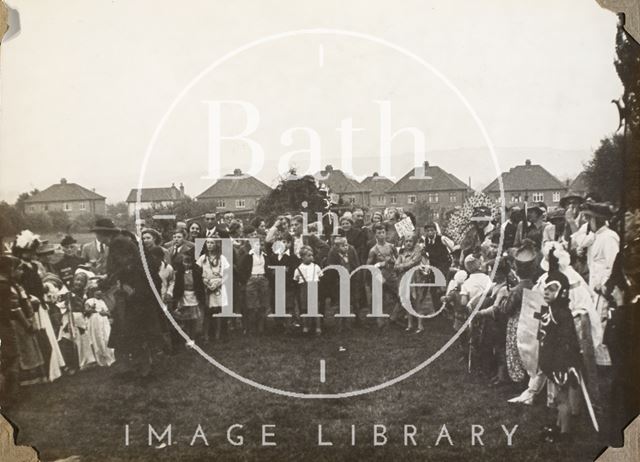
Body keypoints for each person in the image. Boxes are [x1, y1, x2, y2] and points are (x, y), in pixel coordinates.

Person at [538, 249, 584, 443]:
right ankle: (557, 426)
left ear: (562, 292)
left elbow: (567, 341)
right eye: (545, 289)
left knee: (562, 399)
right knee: (557, 397)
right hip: (552, 361)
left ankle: (565, 433)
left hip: (561, 363)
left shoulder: (562, 314)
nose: (547, 292)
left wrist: (563, 365)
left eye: (552, 289)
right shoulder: (551, 310)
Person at [572, 201, 618, 366]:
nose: (587, 222)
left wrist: (604, 285)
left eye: (589, 218)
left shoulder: (610, 237)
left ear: (598, 219)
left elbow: (613, 265)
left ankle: (605, 365)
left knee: (601, 324)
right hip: (593, 287)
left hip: (603, 289)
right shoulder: (595, 237)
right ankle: (597, 363)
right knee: (595, 324)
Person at [324, 236, 362, 329]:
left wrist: (356, 277)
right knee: (340, 302)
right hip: (339, 282)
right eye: (342, 246)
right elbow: (331, 270)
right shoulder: (333, 253)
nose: (346, 247)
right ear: (336, 247)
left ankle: (358, 319)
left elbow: (356, 264)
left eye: (346, 244)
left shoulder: (351, 250)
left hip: (352, 279)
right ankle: (341, 322)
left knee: (354, 300)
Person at [197, 239, 230, 342]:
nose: (209, 245)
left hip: (219, 286)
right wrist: (205, 282)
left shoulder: (222, 258)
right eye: (208, 243)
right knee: (207, 312)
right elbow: (198, 273)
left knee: (217, 312)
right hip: (206, 285)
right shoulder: (203, 258)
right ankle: (206, 335)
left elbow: (227, 274)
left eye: (212, 243)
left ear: (216, 245)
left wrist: (219, 283)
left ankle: (217, 335)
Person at [366, 223, 398, 329]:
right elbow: (369, 266)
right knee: (379, 298)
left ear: (386, 233)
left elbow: (398, 260)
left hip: (392, 275)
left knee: (400, 295)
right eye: (379, 233)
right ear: (375, 235)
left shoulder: (391, 246)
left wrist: (393, 261)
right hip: (380, 277)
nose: (381, 235)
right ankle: (380, 320)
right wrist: (379, 267)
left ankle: (393, 317)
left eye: (383, 232)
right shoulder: (373, 250)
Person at [238, 235, 271, 334]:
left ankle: (261, 326)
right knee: (251, 304)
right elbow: (241, 269)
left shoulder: (265, 256)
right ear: (252, 245)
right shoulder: (248, 256)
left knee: (263, 303)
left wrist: (267, 278)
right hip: (252, 279)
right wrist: (246, 280)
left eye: (261, 244)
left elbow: (268, 268)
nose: (259, 247)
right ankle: (251, 326)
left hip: (263, 279)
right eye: (257, 244)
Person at [294, 245, 323, 335]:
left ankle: (317, 327)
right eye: (308, 255)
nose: (311, 257)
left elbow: (320, 276)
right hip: (304, 289)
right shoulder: (299, 268)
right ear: (302, 257)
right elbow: (296, 279)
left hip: (314, 288)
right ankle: (306, 326)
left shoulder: (316, 267)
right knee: (305, 309)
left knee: (315, 309)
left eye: (312, 255)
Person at [84, 285, 115, 367]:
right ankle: (102, 359)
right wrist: (92, 309)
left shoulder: (102, 301)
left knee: (107, 337)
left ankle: (111, 357)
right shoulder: (89, 301)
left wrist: (105, 313)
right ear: (93, 292)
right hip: (95, 321)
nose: (99, 292)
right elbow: (86, 311)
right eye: (97, 291)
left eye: (100, 290)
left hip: (104, 321)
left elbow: (108, 313)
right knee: (98, 339)